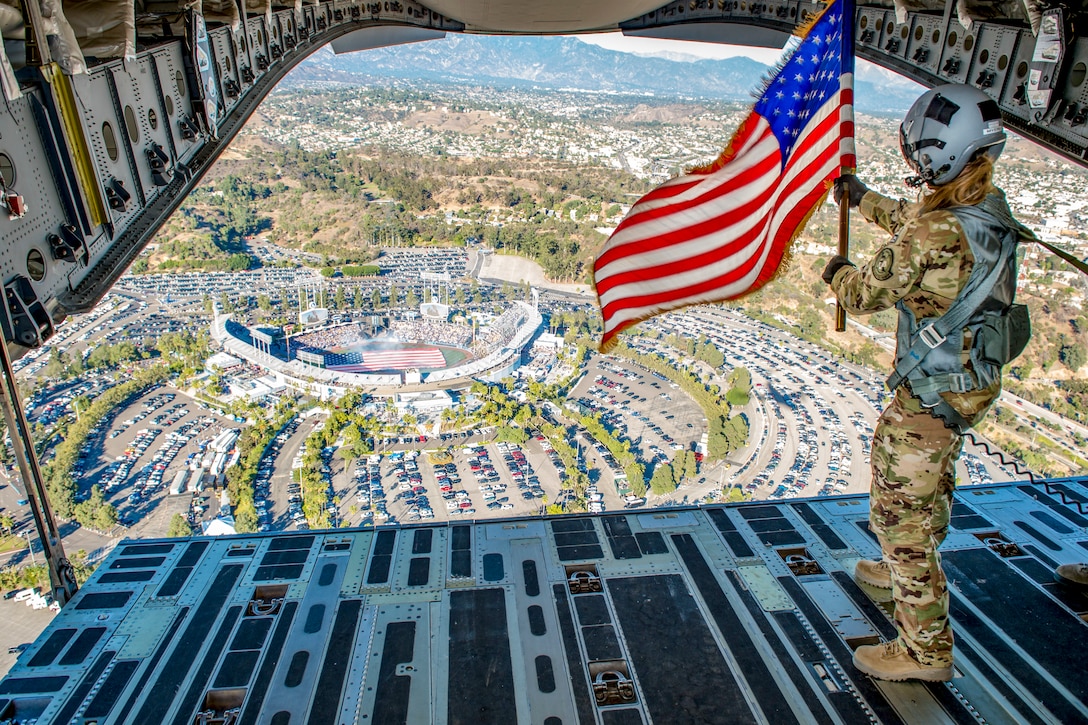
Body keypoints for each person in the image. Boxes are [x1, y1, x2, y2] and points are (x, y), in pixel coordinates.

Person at [823, 83, 1032, 682]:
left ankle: (923, 650)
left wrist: (834, 269)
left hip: (930, 392)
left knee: (899, 514)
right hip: (969, 383)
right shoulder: (988, 211)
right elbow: (915, 218)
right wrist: (861, 199)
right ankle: (900, 569)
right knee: (932, 485)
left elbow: (863, 292)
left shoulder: (933, 234)